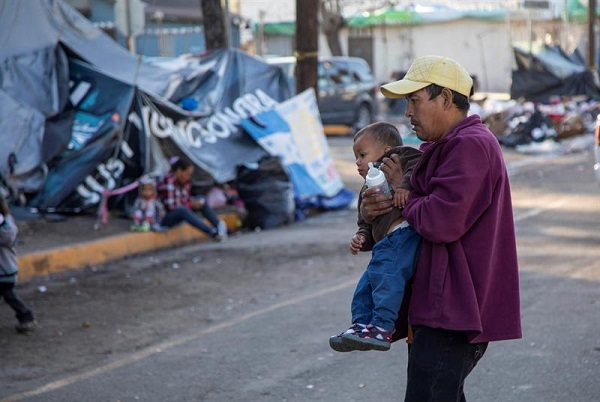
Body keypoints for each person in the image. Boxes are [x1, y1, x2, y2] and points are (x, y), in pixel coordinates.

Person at [360, 55, 522, 401]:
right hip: (438, 307)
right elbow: (413, 223)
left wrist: (402, 196)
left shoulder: (469, 145)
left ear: (446, 99)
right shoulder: (442, 147)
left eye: (414, 101)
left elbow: (440, 220)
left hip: (453, 312)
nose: (407, 113)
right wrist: (375, 213)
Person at [329, 122, 423, 353]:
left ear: (386, 150)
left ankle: (382, 326)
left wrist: (402, 185)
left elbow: (418, 164)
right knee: (366, 285)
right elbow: (366, 223)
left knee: (387, 280)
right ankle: (360, 325)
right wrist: (361, 236)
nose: (358, 162)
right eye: (356, 157)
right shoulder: (366, 189)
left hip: (402, 236)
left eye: (362, 155)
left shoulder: (401, 157)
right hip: (384, 244)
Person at [157, 157, 227, 241]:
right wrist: (191, 204)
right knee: (183, 210)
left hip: (181, 210)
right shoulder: (168, 180)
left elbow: (185, 199)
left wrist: (193, 203)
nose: (189, 177)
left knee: (201, 199)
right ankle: (212, 232)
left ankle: (219, 226)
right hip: (165, 218)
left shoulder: (184, 181)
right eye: (187, 174)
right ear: (179, 171)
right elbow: (172, 207)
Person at [0, 193, 37, 334]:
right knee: (10, 297)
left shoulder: (6, 224)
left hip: (5, 271)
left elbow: (8, 237)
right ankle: (26, 317)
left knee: (10, 296)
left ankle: (26, 316)